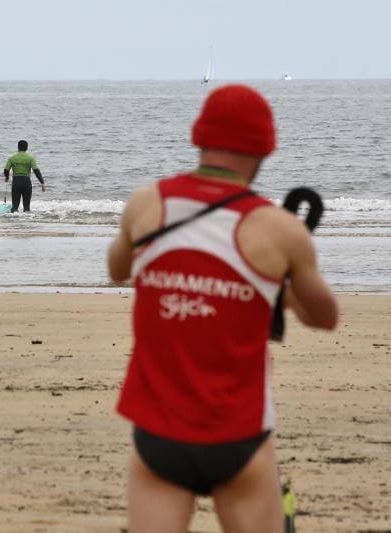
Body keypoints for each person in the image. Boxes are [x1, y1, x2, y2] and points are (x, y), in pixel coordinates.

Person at [107, 85, 338, 532]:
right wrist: (276, 286)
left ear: (199, 138)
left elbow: (118, 268)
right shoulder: (280, 230)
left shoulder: (148, 203)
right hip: (240, 436)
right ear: (265, 149)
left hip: (159, 434)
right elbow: (324, 316)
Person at [3, 140, 45, 212]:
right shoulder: (30, 158)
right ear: (27, 148)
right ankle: (26, 220)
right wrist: (42, 182)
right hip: (26, 182)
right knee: (26, 207)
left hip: (16, 182)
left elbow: (6, 170)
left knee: (15, 206)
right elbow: (36, 171)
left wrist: (7, 177)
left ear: (18, 147)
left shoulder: (12, 158)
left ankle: (13, 220)